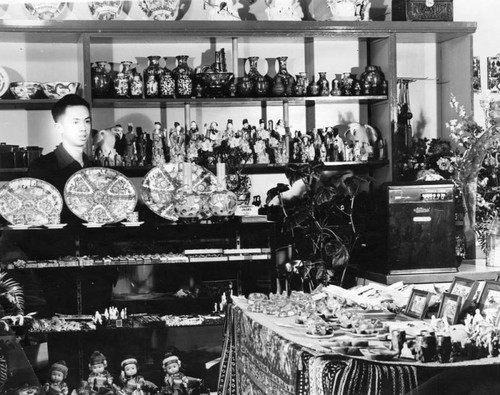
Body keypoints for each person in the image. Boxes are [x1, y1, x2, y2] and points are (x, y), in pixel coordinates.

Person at [28, 94, 92, 195]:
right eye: (75, 122)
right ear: (59, 127)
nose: (83, 128)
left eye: (87, 121)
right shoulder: (41, 167)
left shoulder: (95, 167)